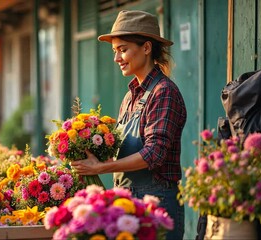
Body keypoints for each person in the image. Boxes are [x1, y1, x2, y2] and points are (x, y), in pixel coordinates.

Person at [70, 10, 187, 240]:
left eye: (123, 50)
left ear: (146, 48)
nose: (117, 58)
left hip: (156, 205)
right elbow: (127, 152)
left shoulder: (164, 93)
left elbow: (154, 154)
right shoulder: (130, 96)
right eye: (115, 51)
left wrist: (100, 168)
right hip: (126, 203)